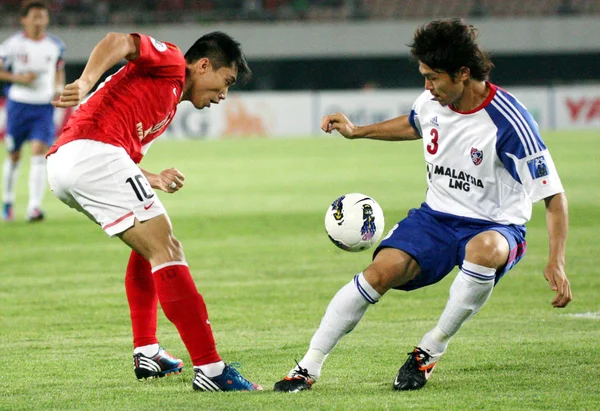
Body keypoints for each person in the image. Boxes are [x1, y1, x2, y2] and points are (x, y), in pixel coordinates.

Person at [274, 19, 572, 393]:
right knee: (379, 273)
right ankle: (307, 366)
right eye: (424, 77)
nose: (426, 87)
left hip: (496, 225)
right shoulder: (432, 101)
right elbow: (415, 124)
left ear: (463, 73)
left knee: (483, 250)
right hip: (436, 218)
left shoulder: (510, 122)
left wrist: (556, 260)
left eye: (433, 78)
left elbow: (554, 195)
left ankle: (429, 350)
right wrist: (357, 131)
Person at [47, 31, 262, 392]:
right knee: (167, 249)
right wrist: (85, 80)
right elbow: (120, 41)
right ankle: (211, 369)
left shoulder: (165, 104)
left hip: (70, 164)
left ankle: (148, 352)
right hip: (89, 154)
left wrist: (153, 178)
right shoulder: (173, 63)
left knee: (150, 251)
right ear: (204, 65)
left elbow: (121, 158)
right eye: (225, 82)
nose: (224, 95)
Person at [0, 0, 65, 222]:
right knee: (15, 154)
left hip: (44, 107)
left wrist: (58, 89)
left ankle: (34, 208)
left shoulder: (55, 45)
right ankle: (7, 201)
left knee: (39, 153)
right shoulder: (11, 45)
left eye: (43, 17)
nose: (39, 21)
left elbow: (58, 70)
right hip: (18, 105)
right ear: (24, 20)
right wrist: (19, 78)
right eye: (35, 16)